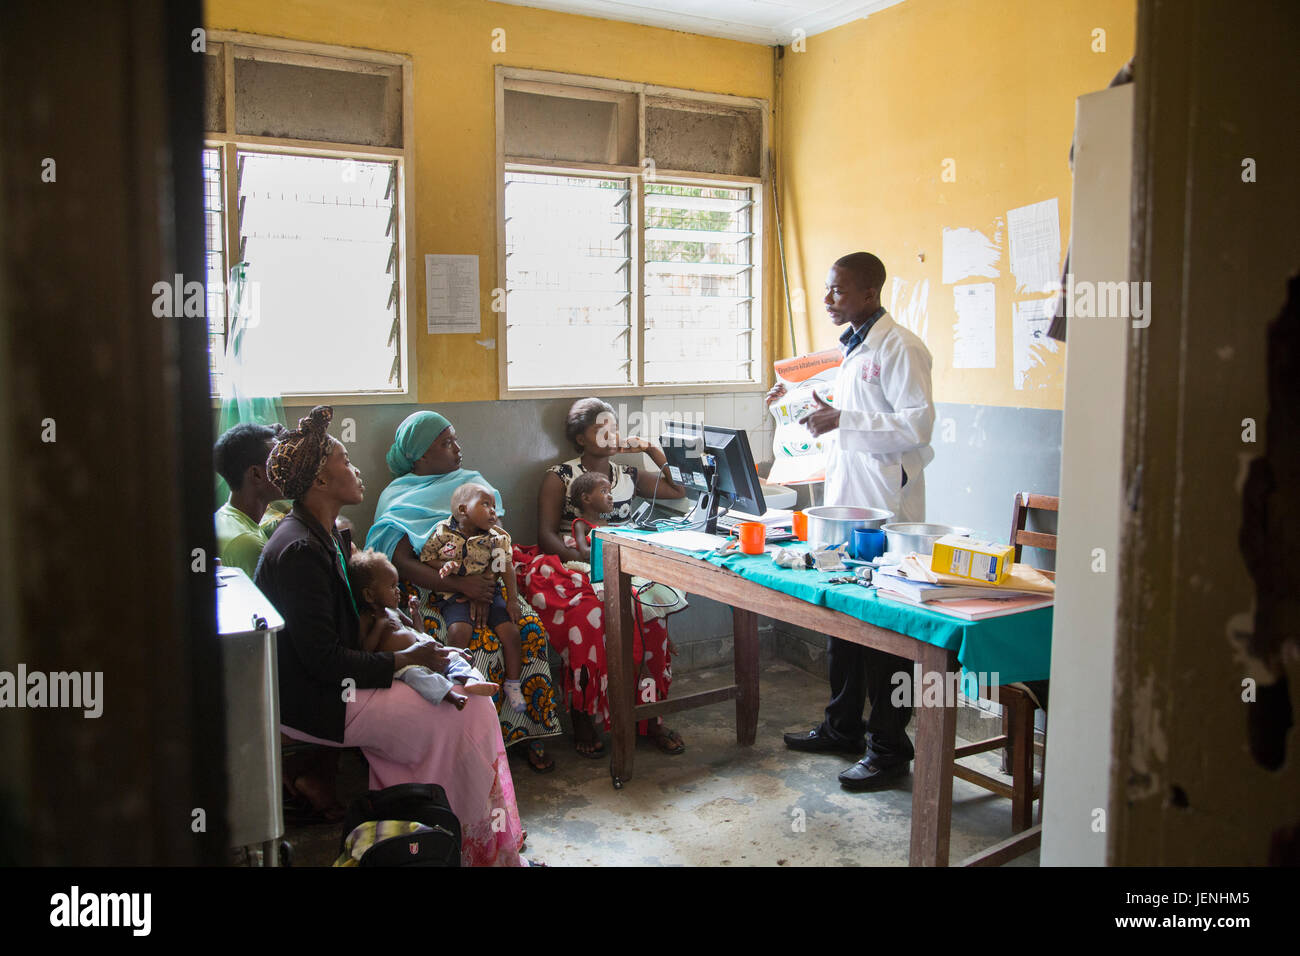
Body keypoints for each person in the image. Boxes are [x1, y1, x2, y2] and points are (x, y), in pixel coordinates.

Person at [256, 406, 532, 865]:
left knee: (459, 693)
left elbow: (355, 621)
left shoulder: (324, 534)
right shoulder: (300, 549)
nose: (357, 468)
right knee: (469, 712)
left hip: (338, 681)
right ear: (319, 481)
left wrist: (410, 641)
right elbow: (323, 660)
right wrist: (407, 661)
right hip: (317, 698)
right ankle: (476, 848)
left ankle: (425, 835)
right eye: (345, 461)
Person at [773, 252, 936, 792]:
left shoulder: (901, 346)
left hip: (888, 509)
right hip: (849, 503)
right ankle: (843, 727)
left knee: (887, 635)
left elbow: (917, 425)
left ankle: (889, 749)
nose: (828, 300)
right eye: (827, 288)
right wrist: (801, 402)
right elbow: (849, 413)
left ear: (869, 292)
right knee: (844, 619)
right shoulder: (852, 348)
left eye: (838, 291)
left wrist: (844, 418)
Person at [365, 410, 561, 773]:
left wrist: (483, 589)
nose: (458, 448)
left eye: (455, 438)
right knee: (467, 644)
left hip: (488, 583)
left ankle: (528, 731)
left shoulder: (472, 483)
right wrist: (460, 586)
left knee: (528, 630)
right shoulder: (397, 495)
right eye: (446, 443)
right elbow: (402, 562)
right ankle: (472, 744)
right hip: (432, 590)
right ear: (421, 455)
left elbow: (495, 537)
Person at [522, 397, 688, 757]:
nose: (611, 433)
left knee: (649, 619)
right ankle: (584, 715)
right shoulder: (559, 476)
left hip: (622, 561)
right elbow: (546, 534)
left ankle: (649, 716)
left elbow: (679, 489)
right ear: (580, 438)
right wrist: (585, 557)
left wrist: (652, 449)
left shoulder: (626, 476)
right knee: (589, 620)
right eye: (601, 427)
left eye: (614, 425)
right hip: (570, 563)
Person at [348, 547, 499, 710]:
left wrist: (415, 614)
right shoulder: (368, 618)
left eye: (397, 585)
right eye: (392, 587)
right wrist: (379, 627)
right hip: (405, 666)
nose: (398, 591)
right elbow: (365, 651)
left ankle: (469, 680)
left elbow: (418, 631)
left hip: (423, 651)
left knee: (455, 657)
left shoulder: (393, 611)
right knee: (417, 676)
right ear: (370, 595)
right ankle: (449, 695)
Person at [421, 483, 527, 713]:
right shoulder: (442, 533)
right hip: (454, 593)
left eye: (494, 506)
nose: (493, 512)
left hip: (490, 591)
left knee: (511, 632)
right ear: (462, 510)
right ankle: (457, 678)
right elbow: (428, 558)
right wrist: (450, 569)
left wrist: (511, 599)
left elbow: (504, 566)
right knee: (459, 631)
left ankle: (513, 683)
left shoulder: (496, 538)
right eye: (486, 504)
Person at [213, 422, 286, 577]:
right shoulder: (247, 543)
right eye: (279, 463)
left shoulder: (225, 517)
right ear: (256, 474)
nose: (288, 469)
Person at [567, 471, 614, 562]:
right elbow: (584, 553)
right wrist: (613, 548)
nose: (610, 496)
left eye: (610, 492)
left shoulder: (606, 523)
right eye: (604, 491)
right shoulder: (581, 524)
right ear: (586, 498)